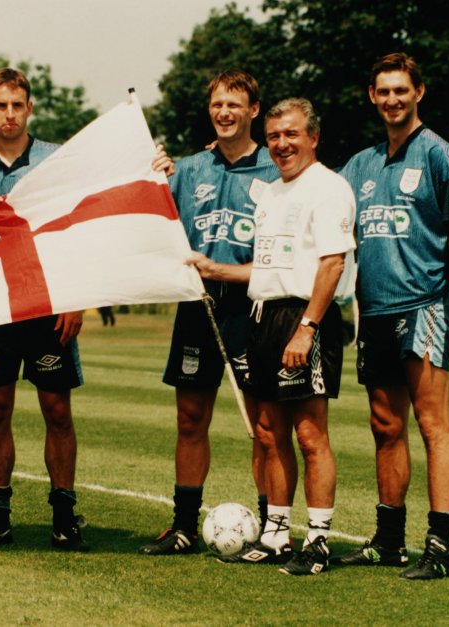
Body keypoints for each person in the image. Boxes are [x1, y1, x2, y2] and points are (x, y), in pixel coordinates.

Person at [194, 98, 355, 575]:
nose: (282, 144)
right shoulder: (272, 194)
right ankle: (277, 533)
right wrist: (216, 269)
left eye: (292, 134)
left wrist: (307, 328)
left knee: (310, 434)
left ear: (313, 137)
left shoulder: (328, 188)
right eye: (275, 137)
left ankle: (320, 540)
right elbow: (267, 268)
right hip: (262, 317)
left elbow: (333, 262)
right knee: (268, 432)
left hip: (304, 317)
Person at [337, 52, 449, 579]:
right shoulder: (361, 164)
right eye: (383, 91)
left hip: (422, 306)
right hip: (373, 311)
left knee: (432, 423)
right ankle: (389, 540)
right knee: (384, 425)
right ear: (372, 97)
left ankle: (439, 547)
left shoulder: (438, 152)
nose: (392, 99)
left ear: (420, 92)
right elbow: (317, 199)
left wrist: (439, 280)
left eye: (402, 90)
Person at [139, 70, 280, 556]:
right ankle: (182, 525)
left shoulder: (274, 169)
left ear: (253, 111)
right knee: (190, 418)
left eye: (234, 105)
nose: (224, 113)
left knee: (263, 424)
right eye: (218, 104)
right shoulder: (190, 169)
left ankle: (272, 529)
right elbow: (157, 223)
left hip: (252, 310)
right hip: (197, 309)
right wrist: (153, 178)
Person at [0, 67, 88, 552]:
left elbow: (75, 229)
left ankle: (65, 515)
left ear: (29, 108)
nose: (9, 114)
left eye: (17, 105)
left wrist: (77, 297)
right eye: (0, 105)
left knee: (56, 408)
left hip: (48, 303)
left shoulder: (55, 160)